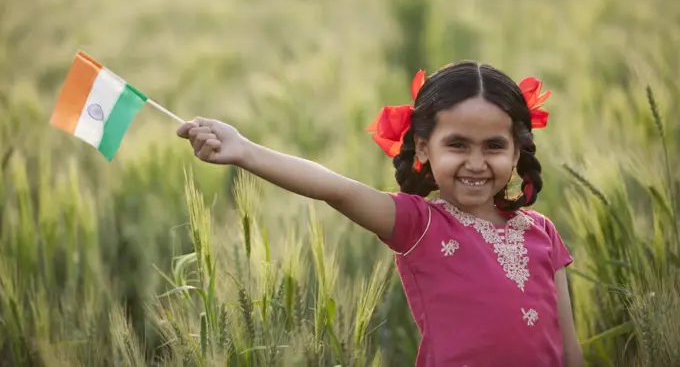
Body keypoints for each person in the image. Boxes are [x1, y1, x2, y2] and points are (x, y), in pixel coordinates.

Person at [176, 61, 583, 367]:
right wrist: (245, 151)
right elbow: (335, 188)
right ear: (423, 148)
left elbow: (569, 348)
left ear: (516, 150)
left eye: (494, 146)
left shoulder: (542, 232)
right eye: (457, 145)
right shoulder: (419, 224)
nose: (476, 163)